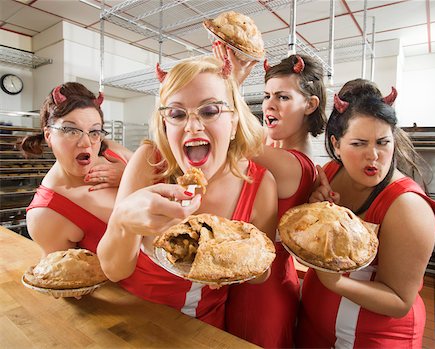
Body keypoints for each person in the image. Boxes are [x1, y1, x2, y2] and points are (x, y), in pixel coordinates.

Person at [97, 56, 278, 330]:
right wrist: (123, 222)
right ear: (165, 125)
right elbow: (113, 271)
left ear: (234, 123)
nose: (193, 126)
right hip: (127, 318)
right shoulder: (149, 162)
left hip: (199, 328)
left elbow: (260, 275)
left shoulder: (260, 184)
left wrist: (233, 253)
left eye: (209, 111)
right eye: (177, 114)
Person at [297, 79, 435, 348]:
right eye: (359, 144)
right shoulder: (330, 174)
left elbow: (400, 301)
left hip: (373, 339)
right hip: (312, 329)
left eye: (383, 142)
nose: (373, 155)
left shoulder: (407, 207)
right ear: (336, 145)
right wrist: (316, 208)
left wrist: (335, 282)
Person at [214, 42, 327, 348]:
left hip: (261, 292)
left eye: (282, 97)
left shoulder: (292, 165)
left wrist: (232, 80)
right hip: (264, 279)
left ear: (310, 104)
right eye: (266, 96)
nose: (268, 106)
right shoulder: (283, 151)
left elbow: (235, 138)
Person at [22, 82, 132, 256]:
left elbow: (165, 174)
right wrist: (132, 180)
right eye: (71, 130)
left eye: (94, 131)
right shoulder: (46, 213)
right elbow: (65, 277)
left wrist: (127, 176)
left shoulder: (111, 150)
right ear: (49, 136)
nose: (86, 142)